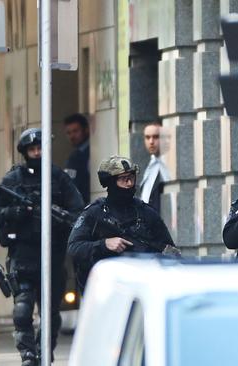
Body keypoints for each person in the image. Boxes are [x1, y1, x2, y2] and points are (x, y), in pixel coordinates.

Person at [0, 128, 84, 366]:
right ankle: (28, 355)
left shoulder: (58, 178)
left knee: (50, 314)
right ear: (25, 152)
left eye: (40, 148)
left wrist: (57, 219)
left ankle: (44, 353)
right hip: (23, 255)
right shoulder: (13, 180)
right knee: (22, 311)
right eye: (33, 149)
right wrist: (17, 212)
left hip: (52, 255)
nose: (37, 152)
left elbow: (77, 211)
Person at [68, 155, 178, 292]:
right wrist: (104, 244)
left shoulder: (146, 213)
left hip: (141, 288)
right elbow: (74, 248)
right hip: (105, 290)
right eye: (123, 179)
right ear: (111, 182)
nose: (129, 184)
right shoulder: (94, 213)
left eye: (131, 178)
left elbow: (170, 251)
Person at [138, 122, 170, 213]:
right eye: (147, 137)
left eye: (156, 137)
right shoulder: (149, 166)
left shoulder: (167, 165)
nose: (151, 142)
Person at [63, 113, 91, 204]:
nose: (72, 136)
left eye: (75, 131)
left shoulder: (78, 157)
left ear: (86, 130)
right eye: (69, 133)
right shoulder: (76, 155)